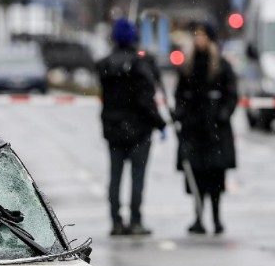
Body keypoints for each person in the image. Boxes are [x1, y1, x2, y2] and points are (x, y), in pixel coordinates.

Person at [96, 18, 167, 236]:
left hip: (113, 129)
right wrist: (160, 123)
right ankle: (136, 220)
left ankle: (116, 221)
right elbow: (146, 101)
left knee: (115, 177)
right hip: (139, 131)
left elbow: (107, 97)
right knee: (137, 177)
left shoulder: (105, 65)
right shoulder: (140, 65)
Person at [172, 21, 237, 235]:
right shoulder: (188, 66)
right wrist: (180, 113)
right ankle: (198, 217)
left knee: (215, 177)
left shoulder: (221, 66)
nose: (199, 39)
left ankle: (217, 218)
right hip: (194, 130)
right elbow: (180, 95)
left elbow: (231, 95)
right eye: (196, 35)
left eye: (203, 35)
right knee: (196, 176)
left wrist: (223, 114)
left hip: (215, 130)